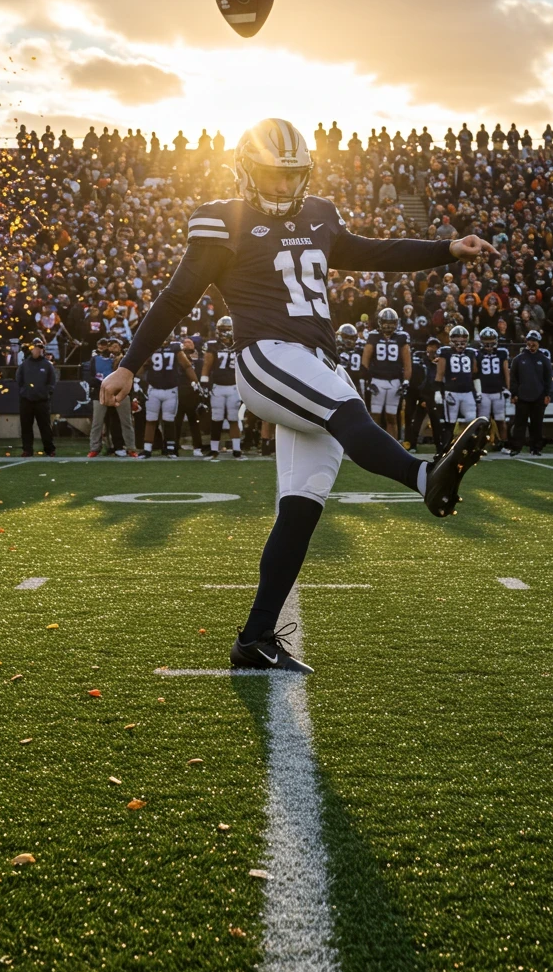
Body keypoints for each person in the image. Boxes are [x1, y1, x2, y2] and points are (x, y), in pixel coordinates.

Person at [100, 117, 496, 673]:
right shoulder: (224, 221)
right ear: (246, 170)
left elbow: (372, 252)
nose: (284, 188)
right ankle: (425, 479)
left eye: (292, 176)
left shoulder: (320, 214)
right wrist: (128, 366)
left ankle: (255, 638)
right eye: (272, 175)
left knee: (302, 506)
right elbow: (176, 297)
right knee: (346, 409)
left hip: (315, 359)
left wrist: (448, 248)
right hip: (265, 355)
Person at [361, 307, 411, 441]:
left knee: (392, 416)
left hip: (395, 381)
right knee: (375, 415)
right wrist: (367, 380)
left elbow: (407, 362)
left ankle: (392, 446)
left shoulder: (401, 337)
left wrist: (406, 381)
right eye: (385, 322)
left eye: (391, 322)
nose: (388, 325)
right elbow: (365, 360)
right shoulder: (373, 336)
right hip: (377, 380)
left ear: (396, 323)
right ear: (380, 322)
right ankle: (374, 444)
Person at [201, 316, 243, 459]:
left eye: (227, 330)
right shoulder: (213, 345)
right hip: (218, 387)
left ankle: (237, 450)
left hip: (233, 387)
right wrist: (204, 384)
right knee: (216, 418)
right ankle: (214, 449)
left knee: (233, 419)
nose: (225, 333)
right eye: (222, 330)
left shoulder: (239, 344)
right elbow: (206, 366)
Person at [508, 330, 552, 456]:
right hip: (522, 396)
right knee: (519, 424)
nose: (532, 343)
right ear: (526, 341)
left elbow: (548, 378)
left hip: (538, 396)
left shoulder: (543, 359)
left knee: (537, 424)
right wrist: (514, 393)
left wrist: (547, 394)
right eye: (530, 341)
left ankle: (536, 448)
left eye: (535, 341)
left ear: (538, 343)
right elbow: (513, 378)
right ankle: (516, 448)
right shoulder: (518, 359)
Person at [15, 338, 58, 457]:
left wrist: (46, 392)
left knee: (45, 426)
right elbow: (19, 380)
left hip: (42, 401)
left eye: (40, 348)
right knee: (26, 426)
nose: (38, 350)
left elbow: (52, 381)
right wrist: (25, 392)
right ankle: (27, 449)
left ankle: (49, 449)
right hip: (27, 400)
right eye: (36, 347)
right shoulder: (24, 365)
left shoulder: (47, 365)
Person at [476, 326, 510, 450]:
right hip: (484, 392)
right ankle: (479, 444)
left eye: (491, 339)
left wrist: (507, 388)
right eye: (486, 339)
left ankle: (504, 444)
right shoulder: (477, 354)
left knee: (501, 420)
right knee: (483, 421)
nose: (488, 342)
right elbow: (475, 372)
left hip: (498, 392)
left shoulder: (502, 353)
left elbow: (506, 372)